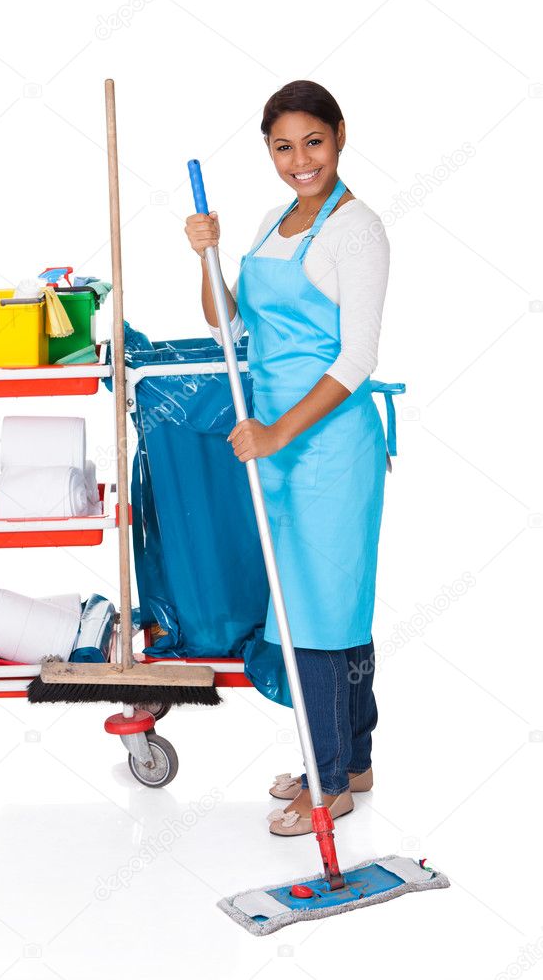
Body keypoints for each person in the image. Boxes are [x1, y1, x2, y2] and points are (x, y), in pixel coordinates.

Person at [185, 80, 389, 836]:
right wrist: (204, 256)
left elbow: (357, 357)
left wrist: (276, 433)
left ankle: (328, 780)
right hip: (277, 443)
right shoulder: (277, 221)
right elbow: (225, 319)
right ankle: (353, 757)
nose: (299, 159)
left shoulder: (355, 230)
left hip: (329, 446)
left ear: (339, 135)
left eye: (313, 141)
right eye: (282, 146)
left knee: (317, 612)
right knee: (329, 602)